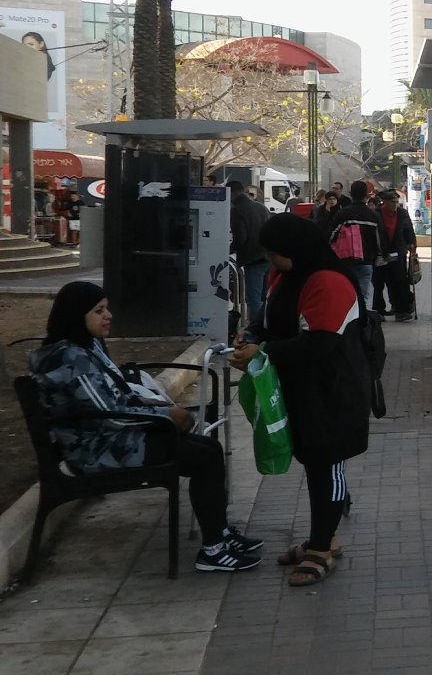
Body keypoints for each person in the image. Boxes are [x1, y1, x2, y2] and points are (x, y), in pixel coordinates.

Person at [29, 281, 263, 572]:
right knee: (204, 457)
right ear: (76, 315)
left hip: (111, 438)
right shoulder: (69, 357)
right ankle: (213, 550)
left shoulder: (85, 346)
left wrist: (159, 408)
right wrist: (166, 415)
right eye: (98, 311)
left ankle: (220, 534)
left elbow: (115, 395)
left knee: (209, 448)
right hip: (98, 450)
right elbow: (108, 413)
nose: (108, 315)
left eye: (107, 308)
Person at [231, 214, 370, 587]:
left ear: (297, 250)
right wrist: (252, 335)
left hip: (333, 392)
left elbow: (320, 342)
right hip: (302, 389)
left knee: (329, 466)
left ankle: (322, 548)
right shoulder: (286, 275)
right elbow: (270, 318)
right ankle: (319, 538)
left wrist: (265, 350)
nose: (271, 260)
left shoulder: (329, 281)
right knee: (313, 462)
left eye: (276, 253)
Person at [327, 180, 384, 310]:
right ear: (366, 195)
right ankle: (362, 324)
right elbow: (380, 239)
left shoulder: (343, 214)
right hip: (366, 262)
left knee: (346, 295)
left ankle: (348, 323)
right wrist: (381, 256)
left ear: (351, 194)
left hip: (345, 262)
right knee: (363, 297)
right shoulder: (373, 216)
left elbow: (331, 236)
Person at [228, 180, 271, 326]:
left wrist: (229, 250)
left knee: (253, 299)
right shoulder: (261, 207)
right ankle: (267, 325)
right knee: (265, 297)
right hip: (269, 257)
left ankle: (256, 330)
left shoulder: (237, 210)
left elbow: (240, 237)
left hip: (253, 258)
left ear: (232, 194)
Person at [372, 189, 418, 321]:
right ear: (384, 202)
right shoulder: (376, 214)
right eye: (392, 202)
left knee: (399, 281)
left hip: (398, 253)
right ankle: (379, 311)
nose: (395, 205)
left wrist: (411, 244)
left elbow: (409, 230)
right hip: (380, 253)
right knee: (378, 283)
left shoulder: (402, 214)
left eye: (397, 202)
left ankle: (400, 310)